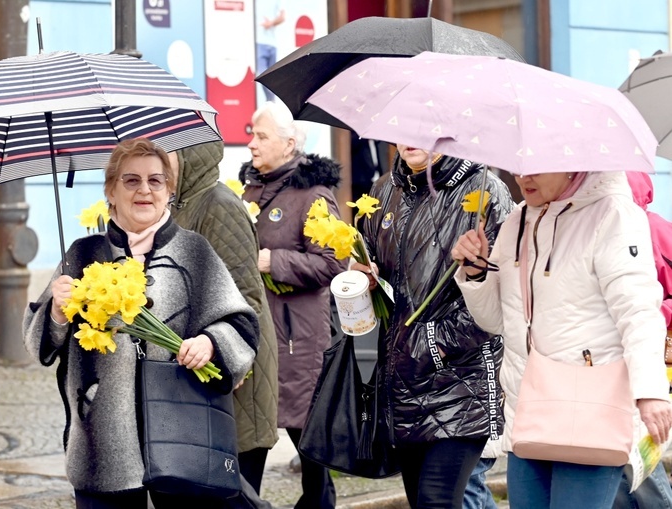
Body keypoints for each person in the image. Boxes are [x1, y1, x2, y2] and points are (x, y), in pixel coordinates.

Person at [22, 138, 259, 509]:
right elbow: (39, 345)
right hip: (103, 439)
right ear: (111, 191)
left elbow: (241, 324)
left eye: (156, 181)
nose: (144, 190)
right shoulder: (84, 255)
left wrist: (211, 343)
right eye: (131, 181)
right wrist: (56, 311)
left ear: (169, 191)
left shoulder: (194, 252)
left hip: (183, 432)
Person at [451, 170, 672, 509]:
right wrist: (476, 272)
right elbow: (497, 321)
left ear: (572, 164)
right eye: (519, 166)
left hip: (590, 411)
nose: (523, 175)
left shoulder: (612, 213)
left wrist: (650, 392)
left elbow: (639, 312)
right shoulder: (517, 219)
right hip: (528, 411)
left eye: (538, 167)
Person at [354, 146, 514, 508]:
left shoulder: (485, 189)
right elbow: (379, 270)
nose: (407, 139)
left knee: (436, 499)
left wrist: (433, 341)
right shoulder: (384, 190)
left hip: (460, 379)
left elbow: (503, 296)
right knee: (423, 501)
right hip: (402, 380)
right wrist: (363, 277)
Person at [239, 101, 346, 509]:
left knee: (308, 445)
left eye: (261, 136)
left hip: (297, 338)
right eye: (251, 133)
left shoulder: (313, 194)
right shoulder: (249, 190)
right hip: (258, 331)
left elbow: (333, 262)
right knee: (251, 437)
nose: (251, 144)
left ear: (289, 144)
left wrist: (274, 261)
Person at [169, 141, 280, 499]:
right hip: (202, 380)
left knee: (234, 499)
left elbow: (245, 300)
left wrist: (224, 355)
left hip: (234, 381)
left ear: (187, 155)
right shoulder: (178, 206)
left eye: (163, 154)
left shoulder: (218, 206)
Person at [611, 171, 672, 509]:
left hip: (651, 358)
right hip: (610, 358)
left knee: (639, 454)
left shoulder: (657, 231)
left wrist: (655, 314)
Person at [255, 0, 285, 101]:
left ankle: (271, 104)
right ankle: (270, 104)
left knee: (271, 78)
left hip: (272, 42)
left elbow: (282, 17)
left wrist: (271, 23)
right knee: (263, 76)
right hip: (258, 41)